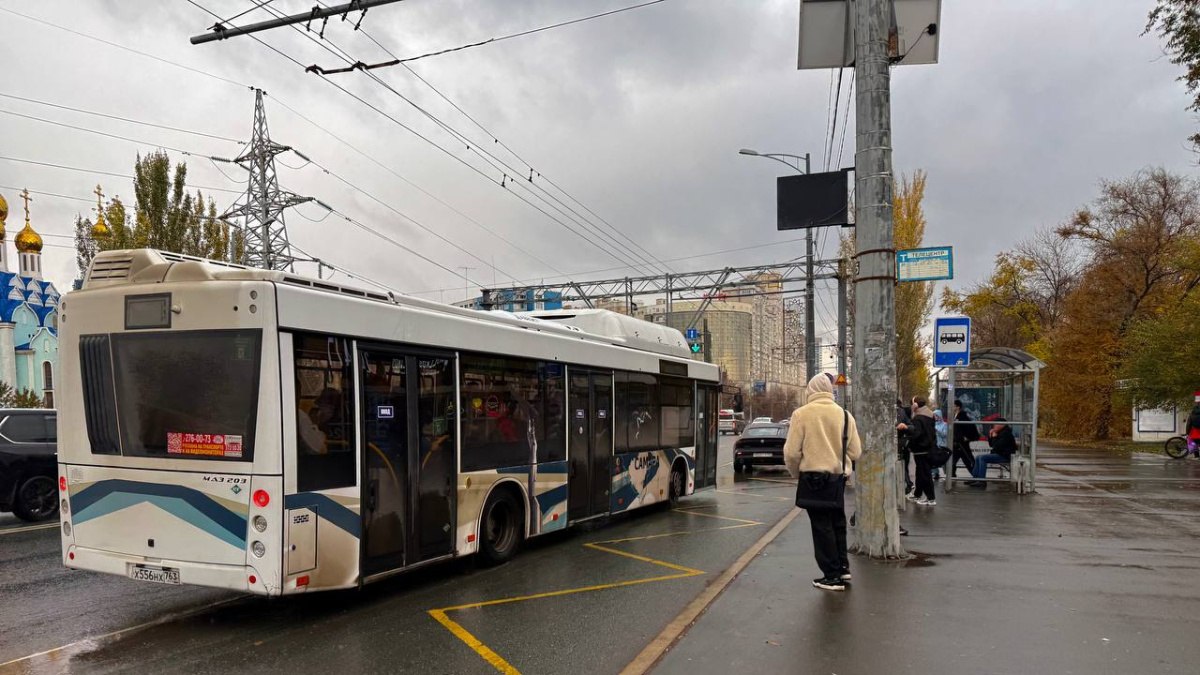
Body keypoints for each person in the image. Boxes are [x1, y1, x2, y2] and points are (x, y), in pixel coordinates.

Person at [784, 373, 863, 592]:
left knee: (821, 528)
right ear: (829, 390)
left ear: (810, 390)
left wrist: (796, 473)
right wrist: (842, 465)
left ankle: (831, 576)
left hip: (813, 479)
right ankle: (842, 567)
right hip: (837, 480)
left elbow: (791, 453)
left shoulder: (801, 414)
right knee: (837, 524)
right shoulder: (845, 416)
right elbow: (856, 451)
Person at [897, 396, 938, 506]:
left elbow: (916, 434)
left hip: (921, 449)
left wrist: (909, 443)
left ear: (915, 405)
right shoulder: (930, 415)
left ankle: (931, 498)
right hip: (928, 448)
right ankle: (918, 494)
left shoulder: (918, 418)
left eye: (912, 404)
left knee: (925, 474)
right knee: (921, 473)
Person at [967, 418, 1017, 486]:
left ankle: (981, 481)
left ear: (1002, 425)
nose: (994, 426)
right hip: (1000, 454)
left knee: (982, 458)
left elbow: (996, 446)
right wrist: (991, 436)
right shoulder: (1000, 432)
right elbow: (991, 445)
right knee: (978, 457)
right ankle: (975, 478)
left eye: (996, 424)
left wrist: (994, 437)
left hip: (1005, 456)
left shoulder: (1006, 434)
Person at [951, 400, 980, 478]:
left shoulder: (962, 416)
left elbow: (969, 427)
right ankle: (951, 475)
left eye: (953, 405)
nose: (952, 407)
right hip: (957, 443)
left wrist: (967, 437)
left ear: (958, 407)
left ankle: (977, 477)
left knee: (968, 460)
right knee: (952, 460)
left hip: (962, 443)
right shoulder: (956, 415)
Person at [897, 399, 913, 495]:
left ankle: (908, 483)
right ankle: (908, 483)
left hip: (900, 444)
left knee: (903, 464)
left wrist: (905, 426)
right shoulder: (902, 411)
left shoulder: (902, 412)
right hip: (899, 444)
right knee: (903, 465)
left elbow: (911, 426)